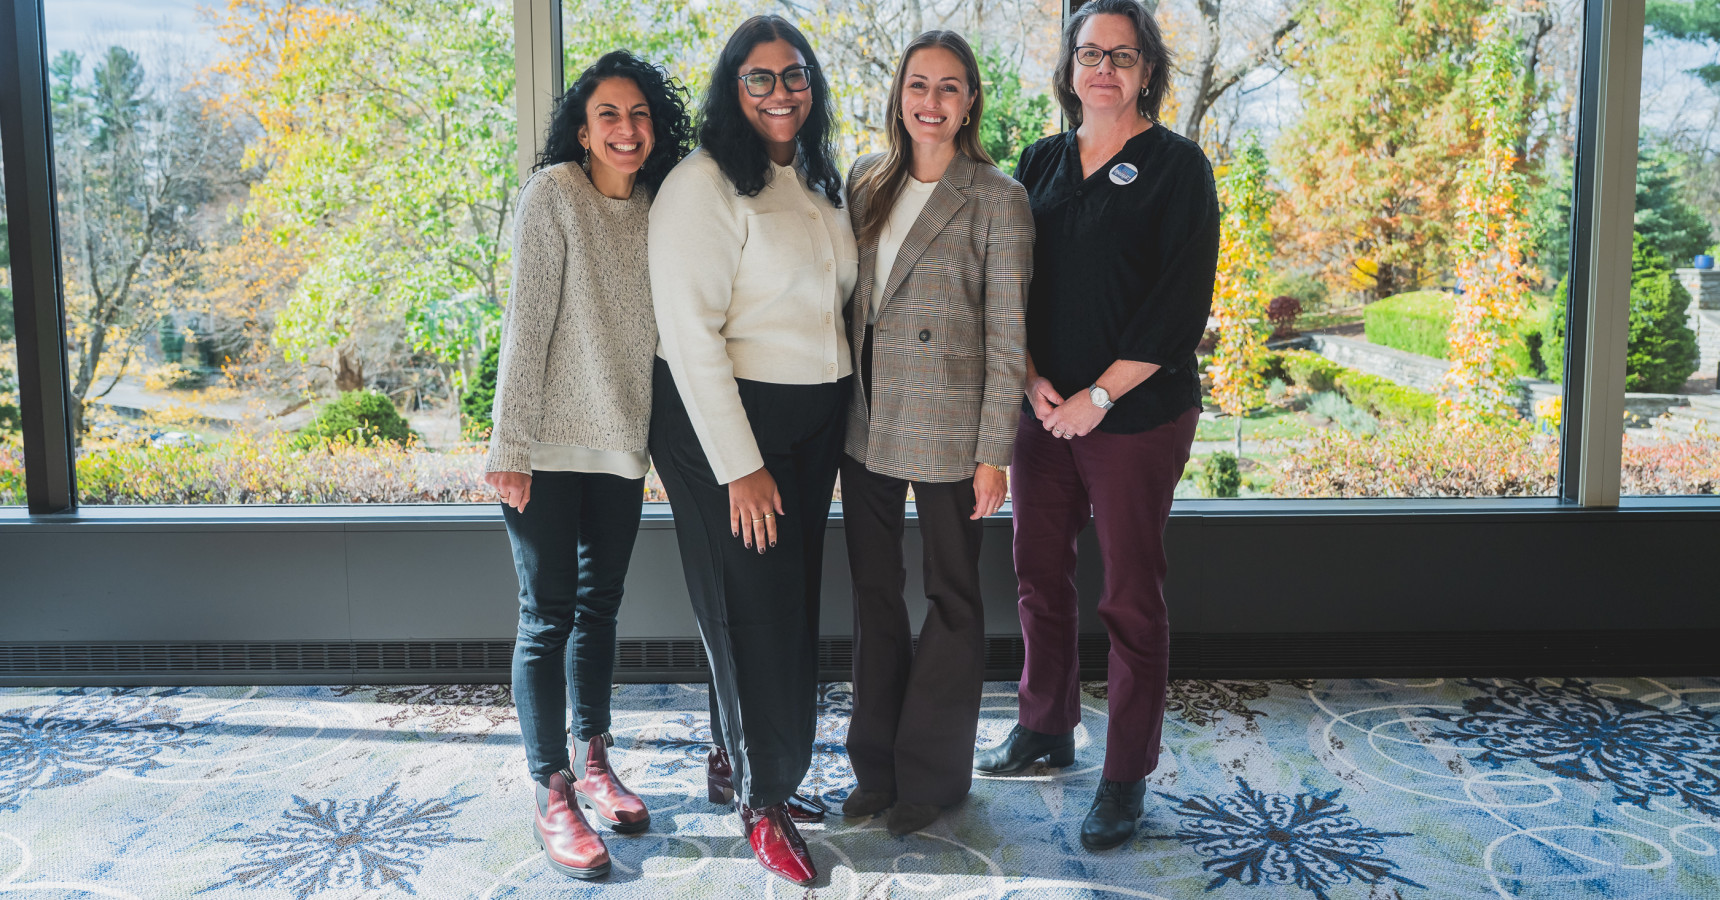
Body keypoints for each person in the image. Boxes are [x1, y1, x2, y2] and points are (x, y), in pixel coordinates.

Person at [972, 0, 1219, 853]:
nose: (1103, 68)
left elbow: (1178, 308)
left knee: (1129, 597)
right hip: (1043, 410)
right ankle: (1044, 726)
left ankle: (1124, 777)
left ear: (1148, 67)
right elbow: (1012, 286)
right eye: (1089, 53)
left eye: (1122, 53)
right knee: (1038, 573)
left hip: (1136, 415)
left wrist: (1098, 398)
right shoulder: (1039, 161)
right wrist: (1035, 379)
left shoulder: (1178, 167)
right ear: (1070, 68)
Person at [646, 15, 856, 887]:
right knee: (752, 607)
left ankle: (740, 761)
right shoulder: (702, 184)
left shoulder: (811, 178)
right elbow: (689, 335)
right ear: (732, 89)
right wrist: (740, 463)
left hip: (811, 425)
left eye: (794, 74)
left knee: (782, 602)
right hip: (726, 425)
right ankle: (761, 803)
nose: (781, 92)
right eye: (760, 77)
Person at [484, 50, 692, 881]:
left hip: (618, 447)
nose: (626, 129)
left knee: (600, 607)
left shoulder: (657, 208)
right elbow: (524, 325)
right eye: (609, 114)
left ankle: (594, 754)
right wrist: (508, 445)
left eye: (639, 115)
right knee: (547, 616)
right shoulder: (553, 196)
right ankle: (551, 789)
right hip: (542, 448)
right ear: (582, 127)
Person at [837, 30, 1032, 836]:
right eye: (919, 85)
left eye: (950, 87)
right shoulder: (865, 181)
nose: (932, 102)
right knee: (875, 598)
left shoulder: (997, 196)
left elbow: (1008, 334)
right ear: (899, 94)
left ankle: (931, 776)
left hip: (953, 426)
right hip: (865, 420)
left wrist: (996, 453)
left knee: (952, 600)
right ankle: (876, 769)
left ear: (971, 101)